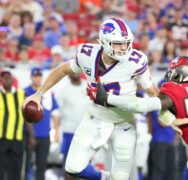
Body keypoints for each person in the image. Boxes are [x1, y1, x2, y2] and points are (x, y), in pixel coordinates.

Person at [23, 18, 159, 180]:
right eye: (118, 43)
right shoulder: (87, 54)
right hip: (97, 117)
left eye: (126, 43)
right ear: (104, 42)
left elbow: (153, 92)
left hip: (124, 122)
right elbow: (62, 70)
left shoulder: (136, 61)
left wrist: (168, 114)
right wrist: (39, 93)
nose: (124, 48)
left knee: (120, 177)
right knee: (72, 167)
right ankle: (103, 177)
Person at [24, 67, 61, 180]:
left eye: (39, 76)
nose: (38, 78)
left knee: (41, 166)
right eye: (35, 76)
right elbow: (23, 115)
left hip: (45, 135)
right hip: (29, 136)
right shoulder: (25, 91)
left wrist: (57, 132)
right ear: (31, 77)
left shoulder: (48, 93)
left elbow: (55, 113)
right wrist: (31, 135)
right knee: (27, 166)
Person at [55, 73, 90, 180]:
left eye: (75, 71)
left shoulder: (88, 86)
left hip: (86, 132)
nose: (74, 73)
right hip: (68, 132)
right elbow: (56, 113)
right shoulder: (63, 91)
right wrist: (56, 131)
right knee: (68, 163)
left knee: (86, 162)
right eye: (71, 72)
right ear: (68, 75)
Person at [0, 70, 27, 180]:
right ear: (1, 80)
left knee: (16, 169)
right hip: (1, 138)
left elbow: (27, 115)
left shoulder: (21, 94)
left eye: (9, 77)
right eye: (4, 77)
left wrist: (32, 135)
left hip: (17, 138)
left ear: (12, 79)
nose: (7, 79)